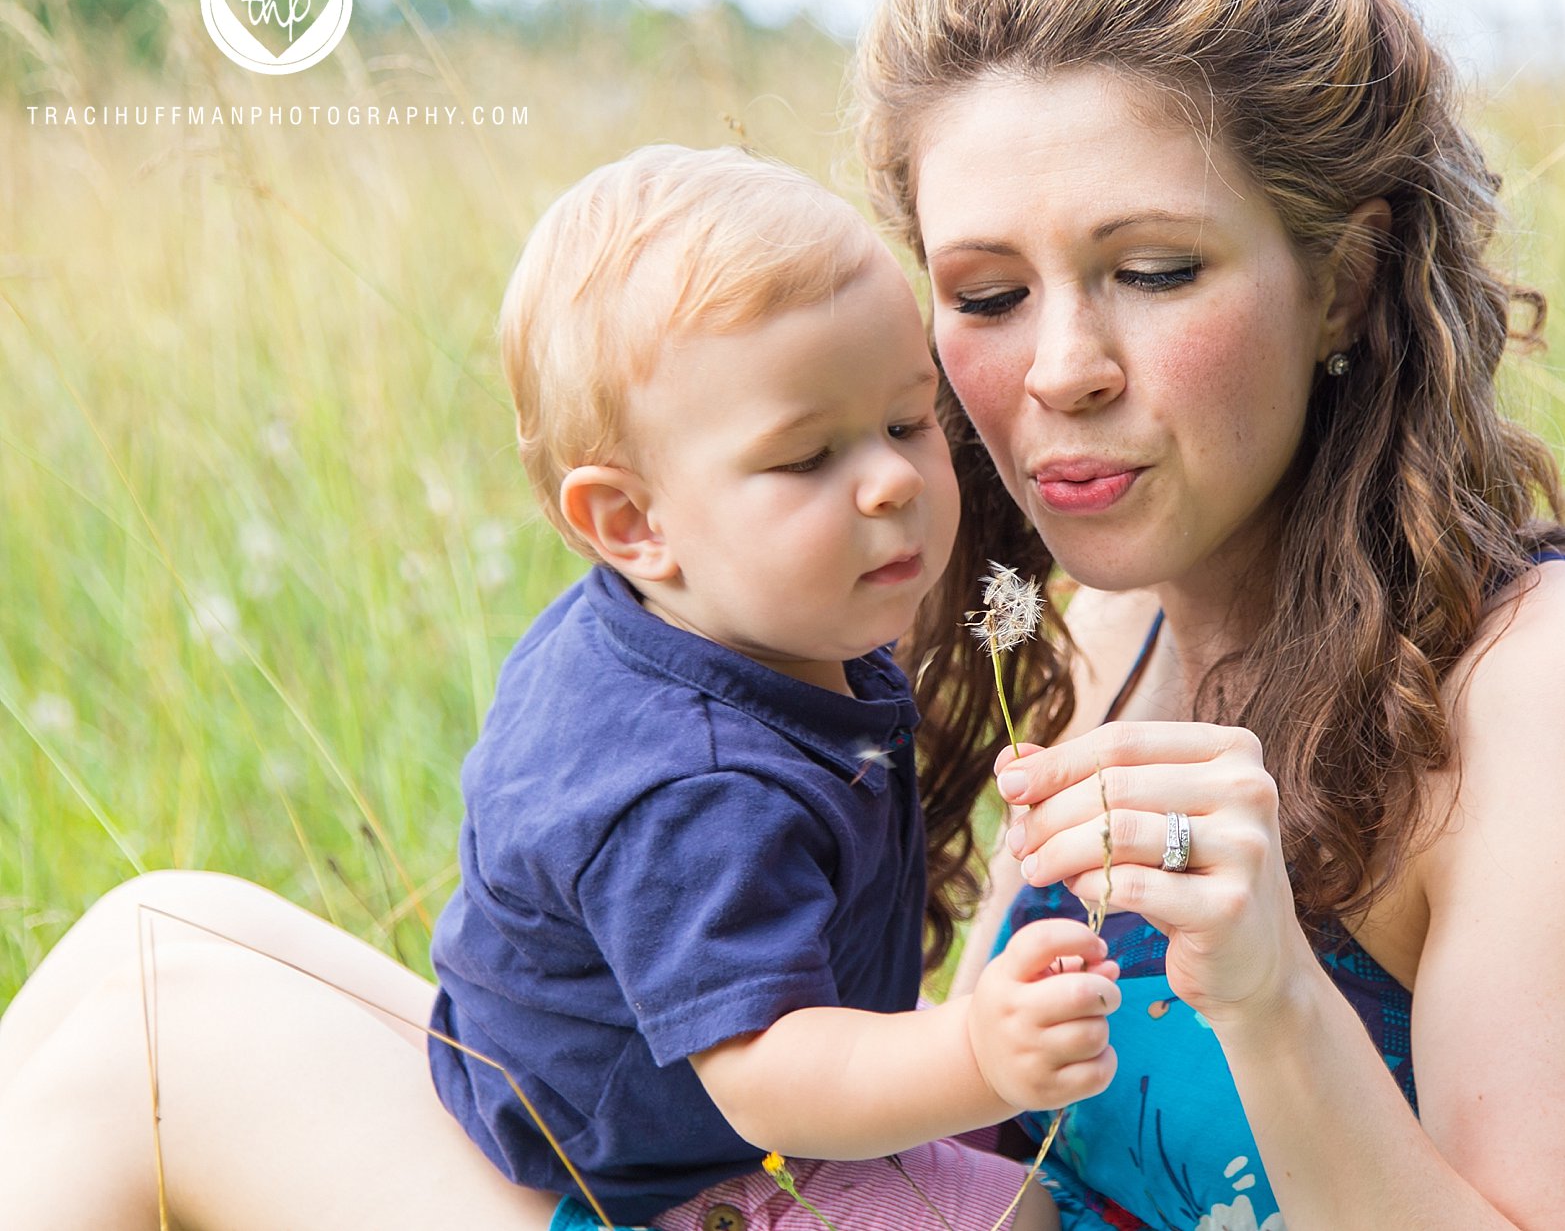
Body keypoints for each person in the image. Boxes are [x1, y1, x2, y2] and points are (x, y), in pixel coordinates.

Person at [0, 0, 1565, 1230]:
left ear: (1343, 277)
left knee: (162, 1008)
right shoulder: (1083, 614)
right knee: (163, 955)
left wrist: (1277, 996)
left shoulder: (1554, 694)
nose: (1056, 366)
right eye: (984, 294)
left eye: (1152, 271)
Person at [0, 145, 1118, 1230]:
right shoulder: (697, 784)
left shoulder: (715, 623)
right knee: (1006, 1214)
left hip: (571, 1080)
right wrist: (972, 1052)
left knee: (161, 918)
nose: (887, 481)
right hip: (671, 1166)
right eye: (803, 458)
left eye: (903, 420)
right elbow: (765, 1075)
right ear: (631, 524)